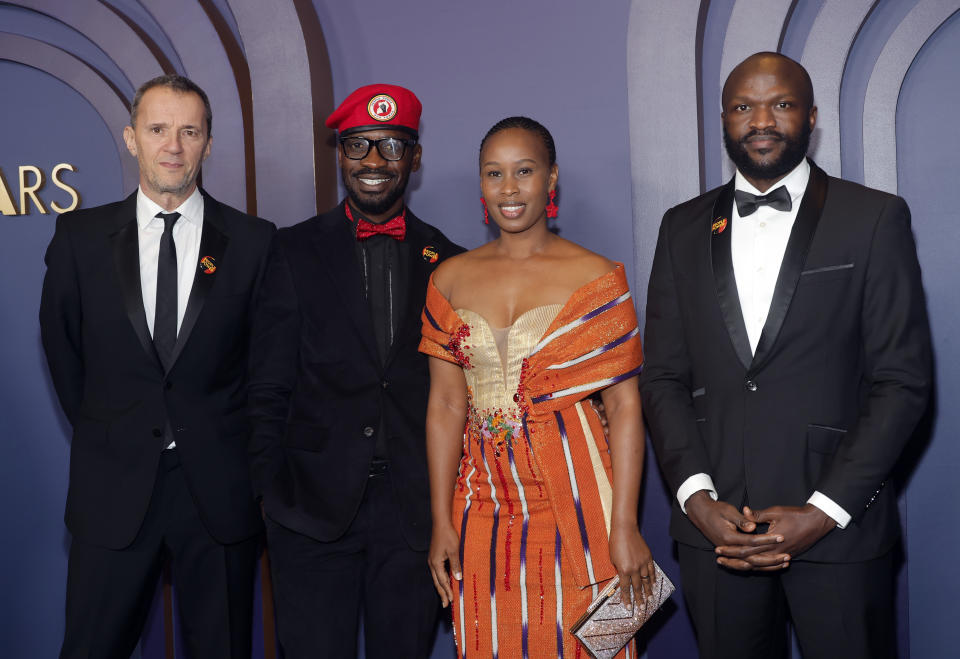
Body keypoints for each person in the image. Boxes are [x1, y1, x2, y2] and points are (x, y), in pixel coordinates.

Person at [640, 52, 932, 659]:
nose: (761, 120)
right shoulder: (681, 227)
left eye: (781, 104)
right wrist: (695, 499)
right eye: (744, 106)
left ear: (811, 117)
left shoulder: (874, 218)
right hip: (716, 537)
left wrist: (823, 512)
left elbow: (901, 383)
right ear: (725, 119)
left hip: (837, 533)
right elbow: (664, 376)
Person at [39, 74, 274, 658]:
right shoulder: (79, 237)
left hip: (217, 496)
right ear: (131, 138)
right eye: (158, 129)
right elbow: (63, 352)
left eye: (189, 131)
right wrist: (115, 428)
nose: (173, 145)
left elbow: (266, 369)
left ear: (208, 143)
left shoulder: (253, 242)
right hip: (113, 490)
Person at [421, 116, 655, 658]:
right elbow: (446, 403)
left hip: (582, 500)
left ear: (551, 179)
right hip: (481, 504)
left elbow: (623, 406)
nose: (508, 188)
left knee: (597, 649)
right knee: (485, 643)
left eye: (524, 171)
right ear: (480, 184)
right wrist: (440, 520)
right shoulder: (448, 279)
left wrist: (625, 523)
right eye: (494, 173)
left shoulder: (597, 276)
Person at [247, 84, 463, 658]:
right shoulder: (291, 251)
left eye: (391, 146)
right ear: (339, 156)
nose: (373, 161)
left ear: (414, 159)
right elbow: (266, 383)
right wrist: (271, 492)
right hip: (309, 511)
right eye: (358, 145)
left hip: (414, 515)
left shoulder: (451, 262)